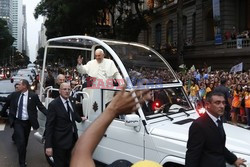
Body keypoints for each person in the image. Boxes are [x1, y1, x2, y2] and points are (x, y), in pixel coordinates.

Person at [70, 86, 161, 167]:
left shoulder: (126, 108)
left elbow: (79, 153)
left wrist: (112, 111)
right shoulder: (108, 106)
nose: (126, 99)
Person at [185, 91, 246, 167]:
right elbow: (192, 155)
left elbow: (219, 146)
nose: (222, 106)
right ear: (208, 105)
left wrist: (234, 159)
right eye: (217, 103)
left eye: (223, 103)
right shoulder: (198, 125)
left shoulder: (218, 120)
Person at [45, 82, 87, 167]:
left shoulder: (71, 100)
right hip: (59, 142)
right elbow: (49, 126)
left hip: (72, 140)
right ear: (60, 91)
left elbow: (73, 113)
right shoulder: (53, 105)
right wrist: (48, 146)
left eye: (69, 89)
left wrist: (80, 119)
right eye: (64, 89)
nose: (67, 91)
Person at [8, 79, 47, 167]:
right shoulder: (15, 94)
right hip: (17, 122)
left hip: (27, 123)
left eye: (19, 84)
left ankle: (22, 152)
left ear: (24, 86)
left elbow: (41, 107)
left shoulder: (33, 96)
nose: (17, 86)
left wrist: (50, 114)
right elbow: (6, 99)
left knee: (24, 142)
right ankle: (22, 163)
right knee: (21, 142)